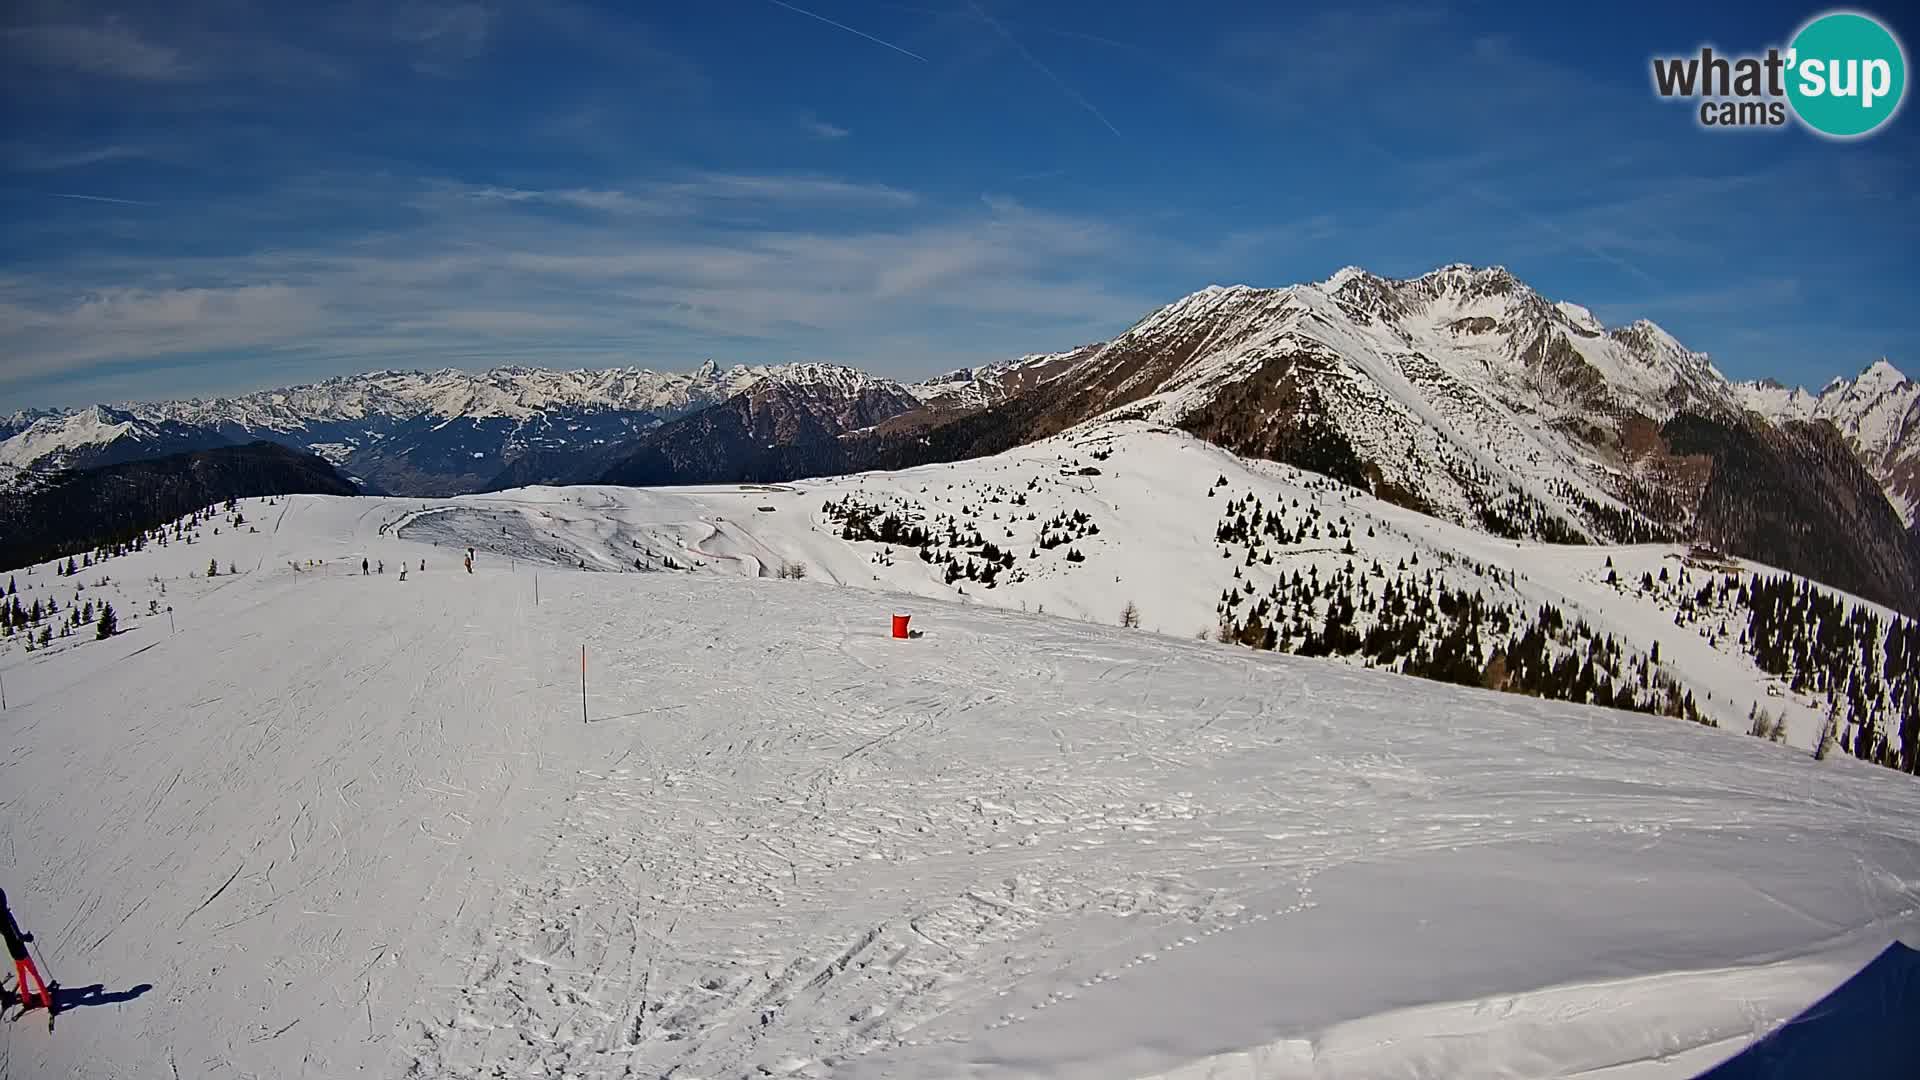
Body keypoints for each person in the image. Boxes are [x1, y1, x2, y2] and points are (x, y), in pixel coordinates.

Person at [0, 888, 50, 1013]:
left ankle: (26, 999)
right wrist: (27, 937)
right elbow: (17, 935)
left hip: (13, 952)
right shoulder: (7, 917)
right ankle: (47, 1001)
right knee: (34, 974)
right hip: (20, 951)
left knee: (21, 974)